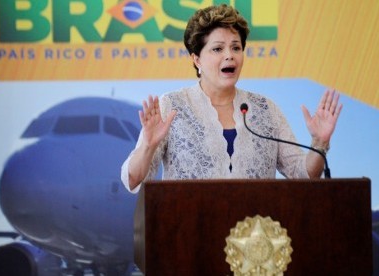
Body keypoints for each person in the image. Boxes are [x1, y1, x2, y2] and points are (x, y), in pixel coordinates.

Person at [121, 4, 342, 193]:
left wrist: (320, 143)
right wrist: (148, 146)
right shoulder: (172, 105)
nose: (230, 55)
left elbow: (303, 175)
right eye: (217, 49)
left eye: (236, 47)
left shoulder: (266, 109)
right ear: (196, 59)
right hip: (188, 234)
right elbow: (133, 179)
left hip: (255, 236)